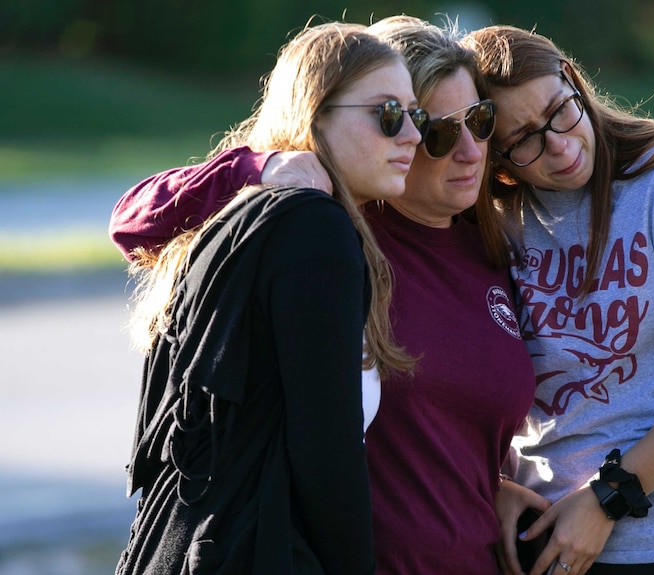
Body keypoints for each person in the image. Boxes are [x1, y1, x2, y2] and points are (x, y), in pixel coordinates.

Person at [108, 16, 537, 574]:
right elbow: (133, 221)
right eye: (434, 128)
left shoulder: (494, 248)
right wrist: (261, 165)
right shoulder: (332, 226)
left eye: (479, 122)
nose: (469, 150)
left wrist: (495, 487)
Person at [460, 25, 654, 575]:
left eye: (560, 111)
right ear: (496, 154)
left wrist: (608, 498)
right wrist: (497, 483)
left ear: (573, 82)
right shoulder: (493, 218)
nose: (559, 145)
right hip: (545, 537)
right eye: (524, 139)